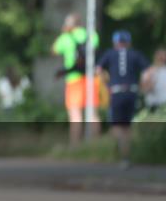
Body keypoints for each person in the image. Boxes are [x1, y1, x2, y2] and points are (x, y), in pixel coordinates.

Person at [96, 30, 150, 169]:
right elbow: (147, 72)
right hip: (131, 91)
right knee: (127, 126)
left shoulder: (110, 54)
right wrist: (143, 86)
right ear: (128, 43)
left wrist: (106, 84)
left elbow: (99, 70)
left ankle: (121, 153)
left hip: (116, 92)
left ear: (115, 43)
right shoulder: (135, 54)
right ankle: (125, 154)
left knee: (117, 126)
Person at [52, 12, 100, 146]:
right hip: (91, 78)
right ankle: (96, 145)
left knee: (75, 114)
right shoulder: (91, 34)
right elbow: (95, 48)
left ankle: (75, 146)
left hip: (73, 79)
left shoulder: (65, 37)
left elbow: (54, 50)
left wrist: (64, 32)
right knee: (92, 112)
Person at [142, 47, 166, 112]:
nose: (162, 58)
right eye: (160, 55)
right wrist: (151, 82)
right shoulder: (148, 71)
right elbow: (144, 90)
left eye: (165, 56)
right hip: (153, 106)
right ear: (155, 56)